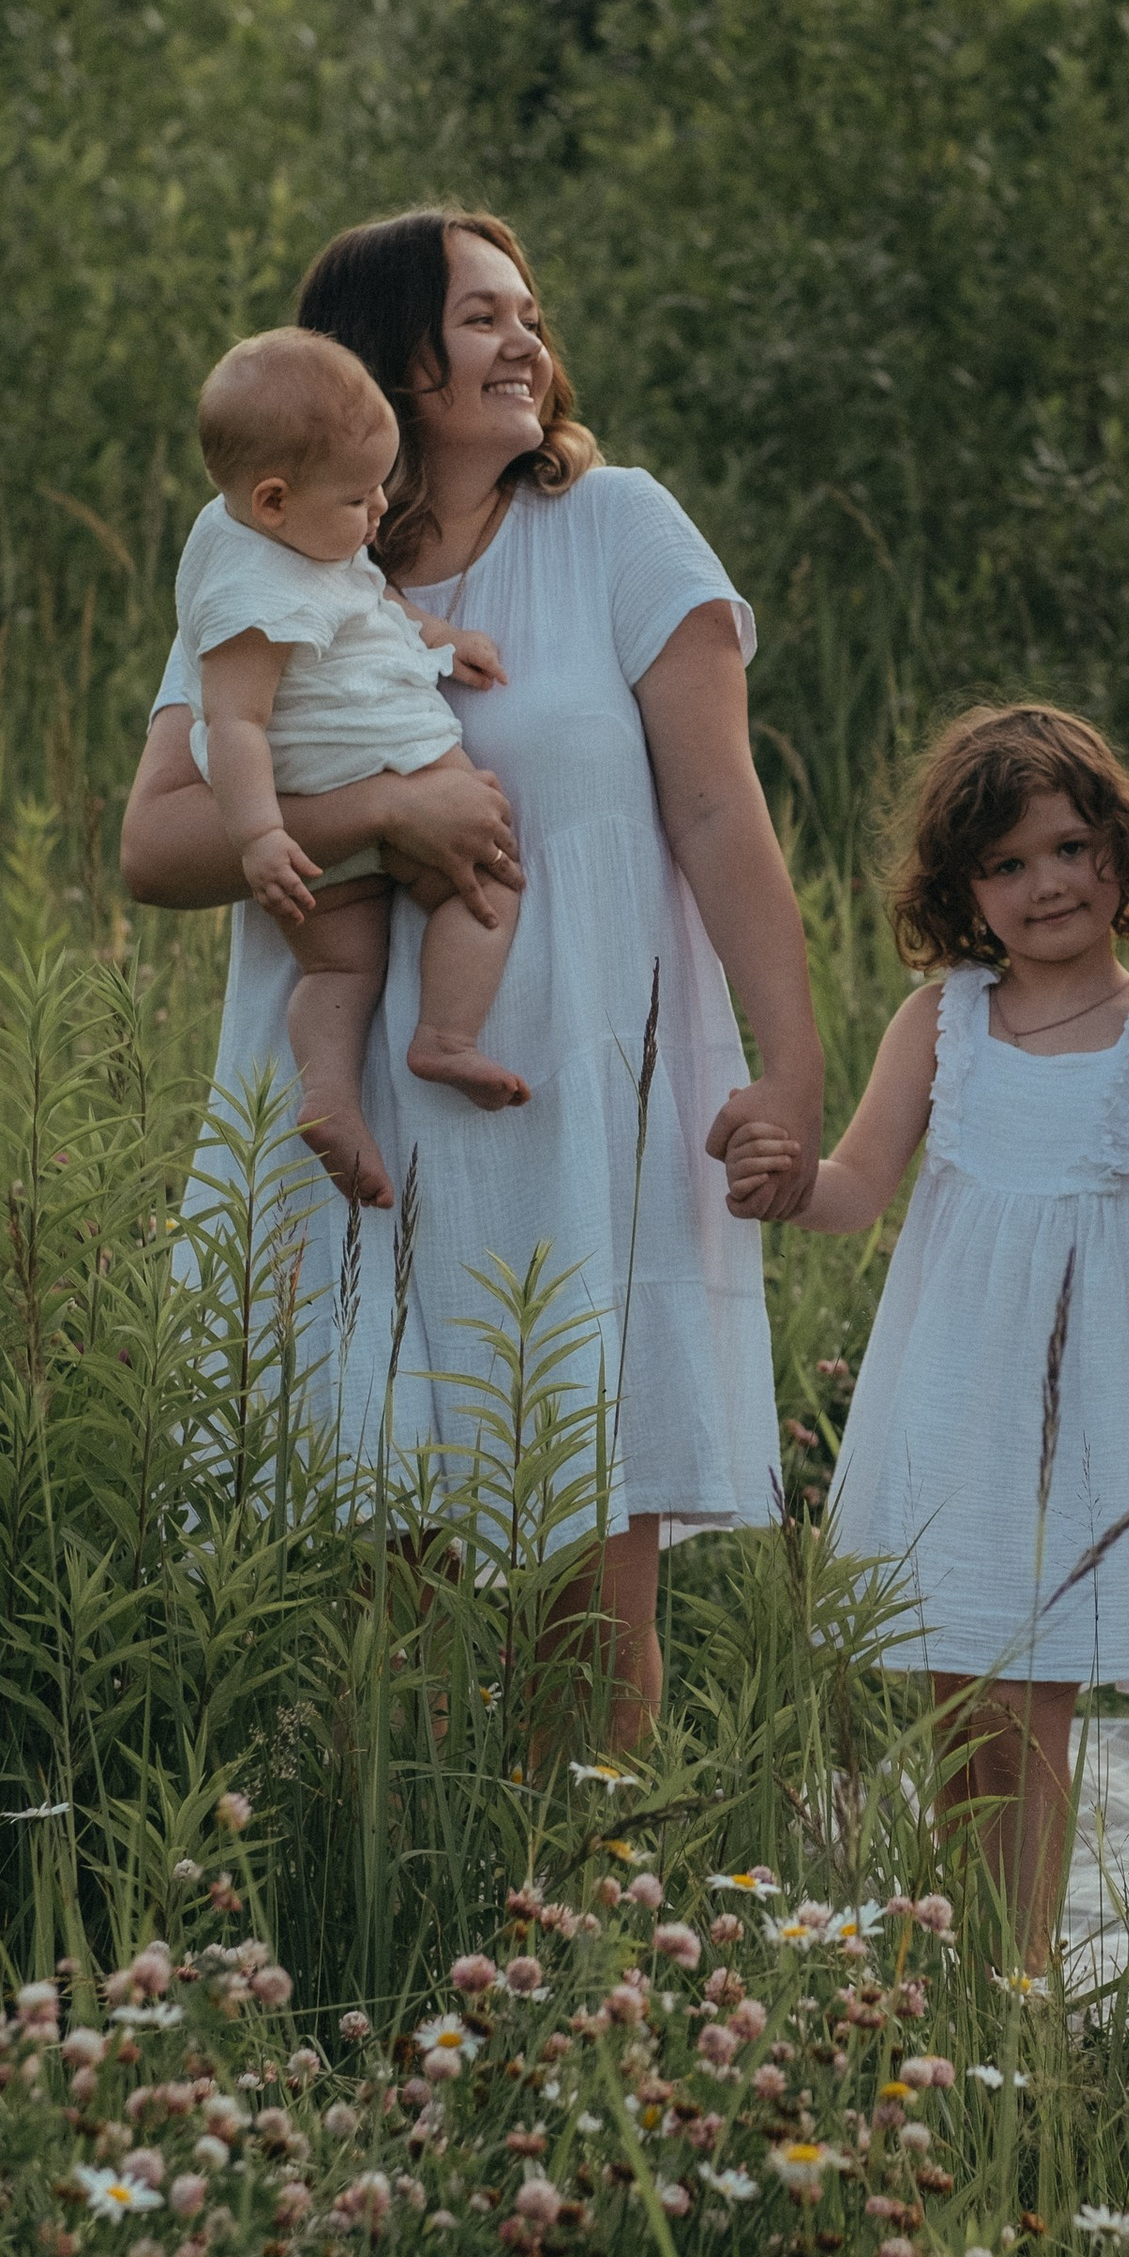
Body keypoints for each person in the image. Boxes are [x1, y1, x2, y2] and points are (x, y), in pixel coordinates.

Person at [120, 208, 822, 1744]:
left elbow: (722, 815)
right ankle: (400, 1886)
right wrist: (382, 810)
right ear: (394, 360)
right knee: (392, 1609)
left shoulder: (619, 527)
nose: (526, 341)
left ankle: (593, 1885)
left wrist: (795, 1061)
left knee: (593, 1588)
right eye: (482, 316)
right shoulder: (269, 558)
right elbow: (157, 842)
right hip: (362, 1133)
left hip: (572, 1114)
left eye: (530, 313)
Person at [726, 705, 1129, 1968]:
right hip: (951, 1399)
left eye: (1071, 848)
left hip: (1077, 1413)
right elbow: (856, 1186)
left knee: (1027, 1714)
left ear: (1122, 850)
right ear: (963, 890)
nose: (1046, 885)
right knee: (958, 1705)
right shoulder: (942, 1020)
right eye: (1006, 864)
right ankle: (957, 1965)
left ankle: (1013, 1980)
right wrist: (786, 1183)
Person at [175, 326, 529, 1209]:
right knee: (486, 876)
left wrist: (443, 638)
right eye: (358, 497)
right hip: (373, 767)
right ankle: (445, 1035)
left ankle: (328, 1098)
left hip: (328, 828)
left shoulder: (286, 537)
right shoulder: (250, 600)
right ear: (272, 500)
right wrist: (260, 836)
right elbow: (234, 725)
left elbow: (372, 603)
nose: (378, 510)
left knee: (338, 970)